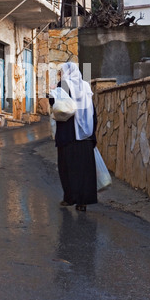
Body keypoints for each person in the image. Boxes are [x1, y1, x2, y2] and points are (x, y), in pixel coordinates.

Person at [49, 62, 97, 212]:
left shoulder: (63, 85)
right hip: (86, 135)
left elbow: (56, 105)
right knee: (85, 170)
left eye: (61, 72)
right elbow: (92, 110)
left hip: (68, 135)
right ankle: (83, 202)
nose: (60, 75)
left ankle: (70, 198)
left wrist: (52, 93)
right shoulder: (86, 86)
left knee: (68, 168)